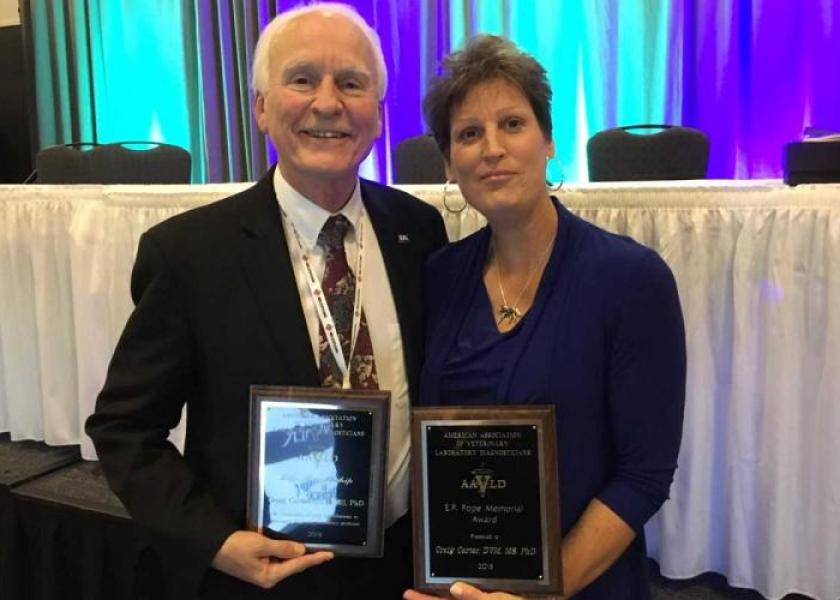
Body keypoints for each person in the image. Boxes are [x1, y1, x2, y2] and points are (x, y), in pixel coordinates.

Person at [85, 4, 447, 599]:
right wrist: (215, 541)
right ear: (260, 107)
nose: (327, 103)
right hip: (269, 575)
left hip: (404, 569)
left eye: (351, 83)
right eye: (302, 79)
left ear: (378, 116)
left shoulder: (418, 229)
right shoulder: (188, 254)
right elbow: (124, 428)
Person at [404, 35, 686, 600]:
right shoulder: (437, 277)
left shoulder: (632, 279)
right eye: (468, 133)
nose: (492, 148)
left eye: (512, 123)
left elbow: (643, 477)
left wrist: (539, 594)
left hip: (584, 587)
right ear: (449, 164)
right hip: (460, 589)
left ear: (549, 140)